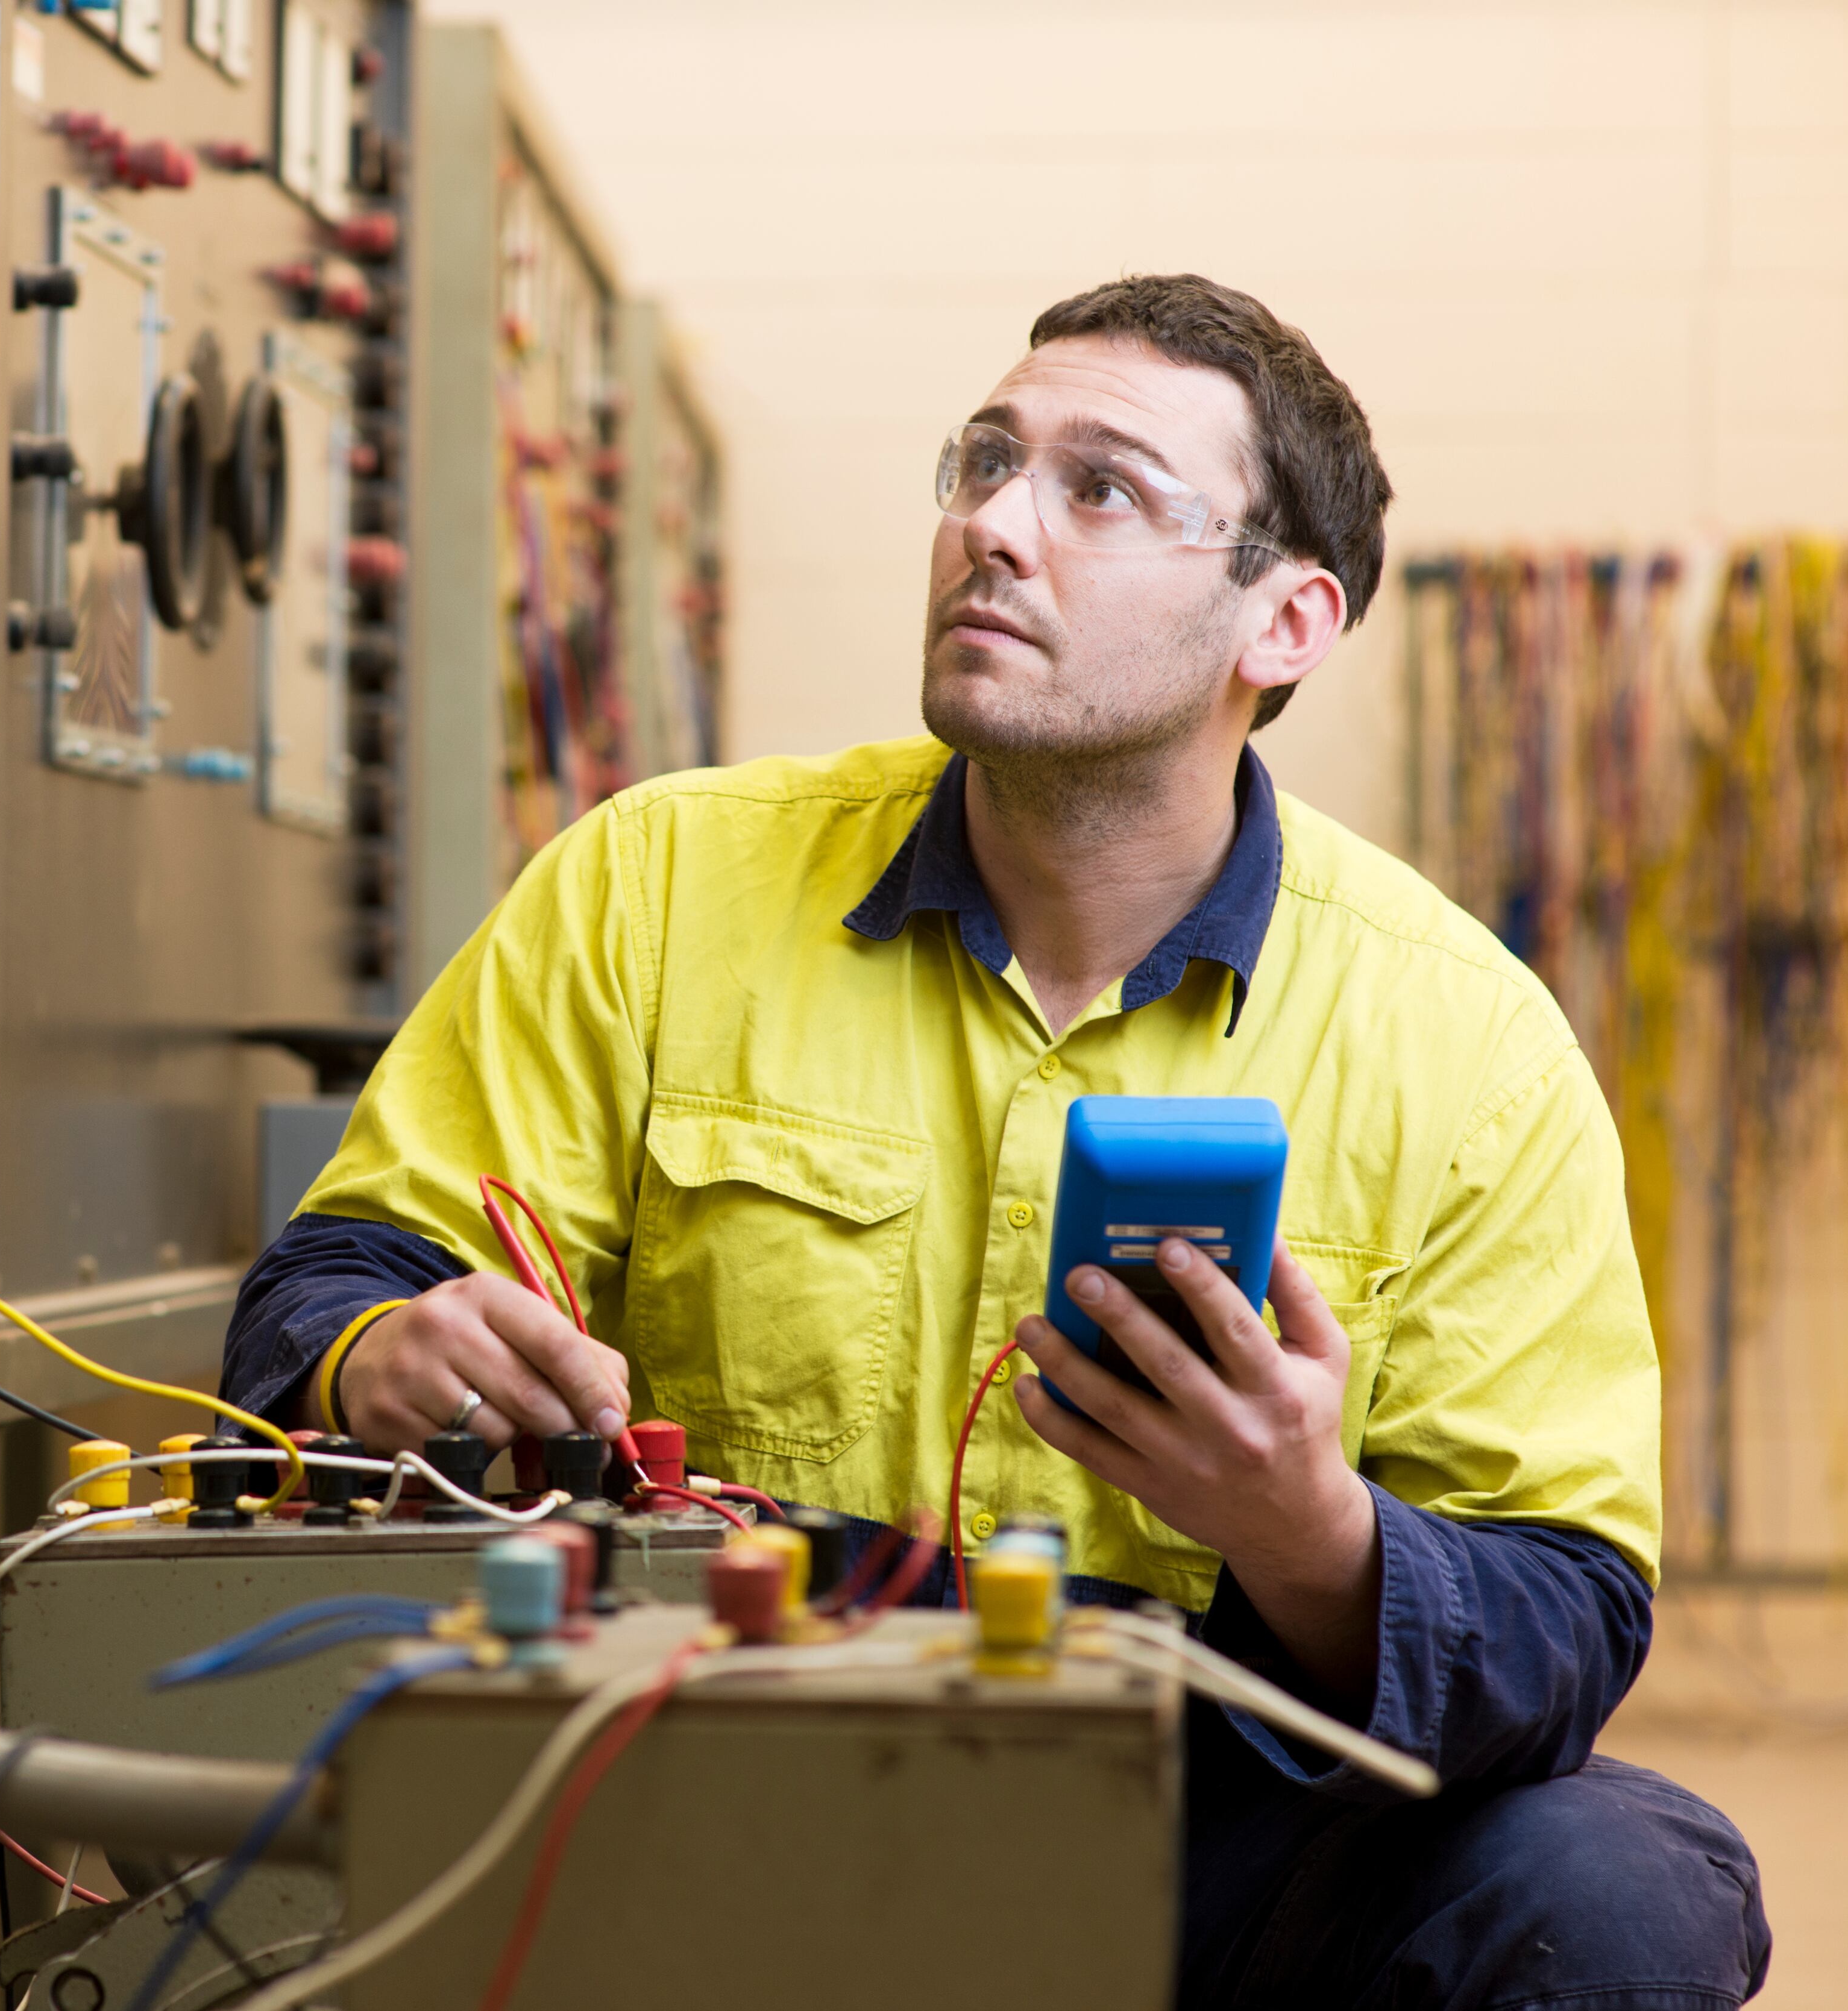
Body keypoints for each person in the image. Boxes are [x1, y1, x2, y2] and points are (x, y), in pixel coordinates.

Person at [219, 274, 1768, 2009]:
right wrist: (377, 1355)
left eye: (1100, 488)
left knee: (1626, 1888)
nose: (996, 528)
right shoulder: (655, 889)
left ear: (1288, 621)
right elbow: (338, 1275)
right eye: (983, 462)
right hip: (718, 1771)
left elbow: (1562, 1606)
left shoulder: (1464, 1043)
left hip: (1222, 1838)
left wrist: (1308, 1530)